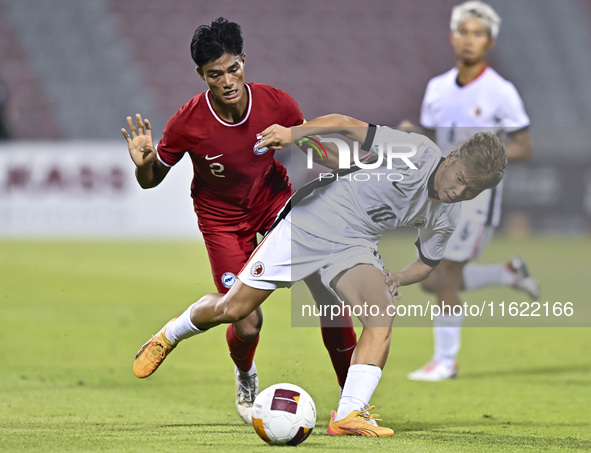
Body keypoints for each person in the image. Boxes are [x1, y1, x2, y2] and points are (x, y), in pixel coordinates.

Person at [132, 113, 508, 436]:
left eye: (472, 190)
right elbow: (346, 125)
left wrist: (398, 277)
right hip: (311, 223)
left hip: (355, 244)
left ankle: (348, 414)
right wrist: (293, 134)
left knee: (381, 313)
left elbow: (428, 260)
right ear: (452, 156)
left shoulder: (447, 214)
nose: (459, 191)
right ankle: (170, 334)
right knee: (235, 310)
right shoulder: (416, 152)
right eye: (460, 178)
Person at [121, 17, 357, 424]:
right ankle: (239, 370)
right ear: (201, 75)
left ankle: (351, 404)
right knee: (245, 320)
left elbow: (314, 147)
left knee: (330, 295)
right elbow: (150, 181)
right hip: (222, 219)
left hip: (274, 202)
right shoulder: (187, 123)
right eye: (216, 74)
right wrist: (143, 165)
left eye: (234, 69)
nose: (228, 81)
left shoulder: (277, 104)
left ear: (244, 61)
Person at [399, 1, 539, 382]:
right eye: (464, 32)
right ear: (452, 36)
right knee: (431, 280)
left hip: (476, 202)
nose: (469, 40)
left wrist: (481, 162)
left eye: (478, 33)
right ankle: (508, 274)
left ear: (490, 41)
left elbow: (524, 146)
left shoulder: (500, 91)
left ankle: (445, 361)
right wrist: (415, 135)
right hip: (441, 197)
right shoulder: (436, 88)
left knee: (442, 276)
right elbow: (434, 142)